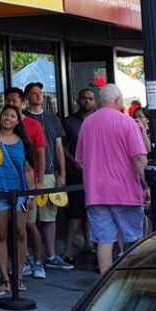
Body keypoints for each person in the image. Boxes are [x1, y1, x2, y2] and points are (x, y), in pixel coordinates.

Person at [75, 84, 149, 275]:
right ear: (118, 100)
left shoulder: (87, 123)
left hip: (96, 192)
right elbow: (139, 158)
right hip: (125, 191)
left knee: (104, 240)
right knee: (134, 238)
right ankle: (133, 277)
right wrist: (147, 185)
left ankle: (105, 283)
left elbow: (80, 161)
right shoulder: (127, 123)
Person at [23, 82, 71, 272]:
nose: (38, 95)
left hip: (50, 173)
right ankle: (29, 257)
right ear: (26, 96)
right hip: (28, 176)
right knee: (28, 220)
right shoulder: (22, 118)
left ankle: (51, 255)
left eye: (40, 92)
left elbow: (59, 147)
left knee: (49, 217)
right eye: (34, 93)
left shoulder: (52, 118)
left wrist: (63, 173)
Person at [0, 105, 35, 296]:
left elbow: (28, 169)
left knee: (20, 233)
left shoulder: (22, 142)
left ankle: (18, 277)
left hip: (19, 194)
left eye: (12, 116)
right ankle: (6, 279)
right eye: (5, 115)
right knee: (1, 234)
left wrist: (31, 195)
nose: (8, 118)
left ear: (18, 121)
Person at [4, 87, 47, 279]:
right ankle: (20, 264)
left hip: (27, 185)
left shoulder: (33, 124)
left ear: (22, 103)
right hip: (5, 188)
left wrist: (39, 181)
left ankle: (38, 261)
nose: (11, 104)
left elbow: (40, 153)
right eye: (8, 101)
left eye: (14, 101)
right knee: (7, 232)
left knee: (29, 225)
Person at [61, 88, 95, 265]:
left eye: (90, 98)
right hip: (75, 173)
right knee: (75, 212)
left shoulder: (99, 120)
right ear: (78, 100)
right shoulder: (69, 122)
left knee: (93, 210)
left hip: (96, 173)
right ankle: (68, 251)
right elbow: (62, 146)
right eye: (84, 98)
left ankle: (90, 243)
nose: (87, 101)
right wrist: (73, 161)